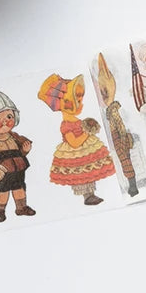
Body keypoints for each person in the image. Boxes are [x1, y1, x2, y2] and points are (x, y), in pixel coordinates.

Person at [38, 73, 116, 205]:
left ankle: (91, 194)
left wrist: (89, 127)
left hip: (84, 150)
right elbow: (74, 143)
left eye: (80, 101)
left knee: (88, 172)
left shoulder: (78, 121)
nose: (80, 104)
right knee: (81, 174)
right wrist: (87, 132)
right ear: (65, 103)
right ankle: (87, 196)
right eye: (77, 101)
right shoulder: (66, 125)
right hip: (75, 153)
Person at [0, 90, 36, 222]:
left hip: (18, 169)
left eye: (9, 116)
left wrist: (25, 151)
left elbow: (19, 152)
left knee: (19, 188)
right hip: (3, 171)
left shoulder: (14, 137)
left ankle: (21, 207)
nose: (4, 122)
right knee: (3, 191)